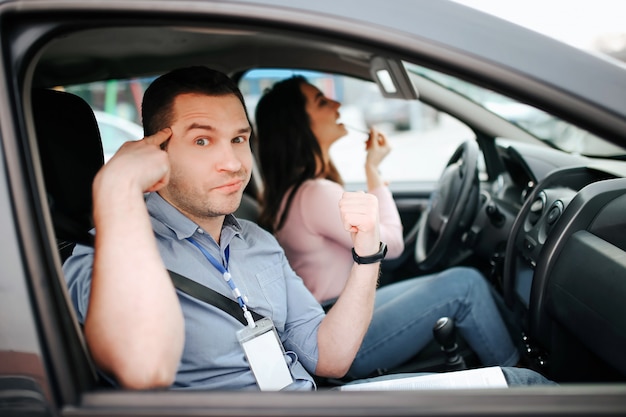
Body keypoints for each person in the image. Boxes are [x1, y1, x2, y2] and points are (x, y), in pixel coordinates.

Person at [63, 66, 553, 391]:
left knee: (517, 385)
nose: (233, 162)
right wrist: (116, 187)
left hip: (314, 397)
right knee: (526, 389)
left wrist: (366, 255)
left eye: (239, 139)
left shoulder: (256, 242)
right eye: (202, 140)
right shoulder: (106, 253)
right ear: (154, 151)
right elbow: (144, 368)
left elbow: (329, 359)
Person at [254, 75, 520, 379]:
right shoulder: (314, 193)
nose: (337, 103)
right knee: (466, 285)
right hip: (341, 333)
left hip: (336, 315)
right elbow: (391, 244)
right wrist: (373, 170)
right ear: (297, 125)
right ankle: (521, 375)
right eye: (321, 101)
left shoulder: (292, 193)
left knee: (458, 280)